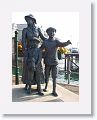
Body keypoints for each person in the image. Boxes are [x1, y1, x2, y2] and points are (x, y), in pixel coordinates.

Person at [40, 27, 72, 97]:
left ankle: (54, 90)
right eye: (50, 32)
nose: (52, 33)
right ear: (47, 33)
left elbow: (62, 44)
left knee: (54, 77)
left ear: (55, 33)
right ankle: (46, 87)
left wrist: (67, 43)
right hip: (47, 62)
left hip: (54, 62)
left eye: (53, 32)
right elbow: (40, 49)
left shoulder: (56, 41)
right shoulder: (45, 42)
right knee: (46, 76)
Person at [22, 14, 46, 91]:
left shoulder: (38, 29)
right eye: (26, 20)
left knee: (38, 67)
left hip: (37, 50)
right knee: (28, 68)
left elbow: (43, 38)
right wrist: (25, 50)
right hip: (29, 50)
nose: (27, 21)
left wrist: (51, 40)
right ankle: (28, 83)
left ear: (33, 20)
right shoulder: (25, 30)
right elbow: (23, 41)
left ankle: (38, 84)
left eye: (29, 19)